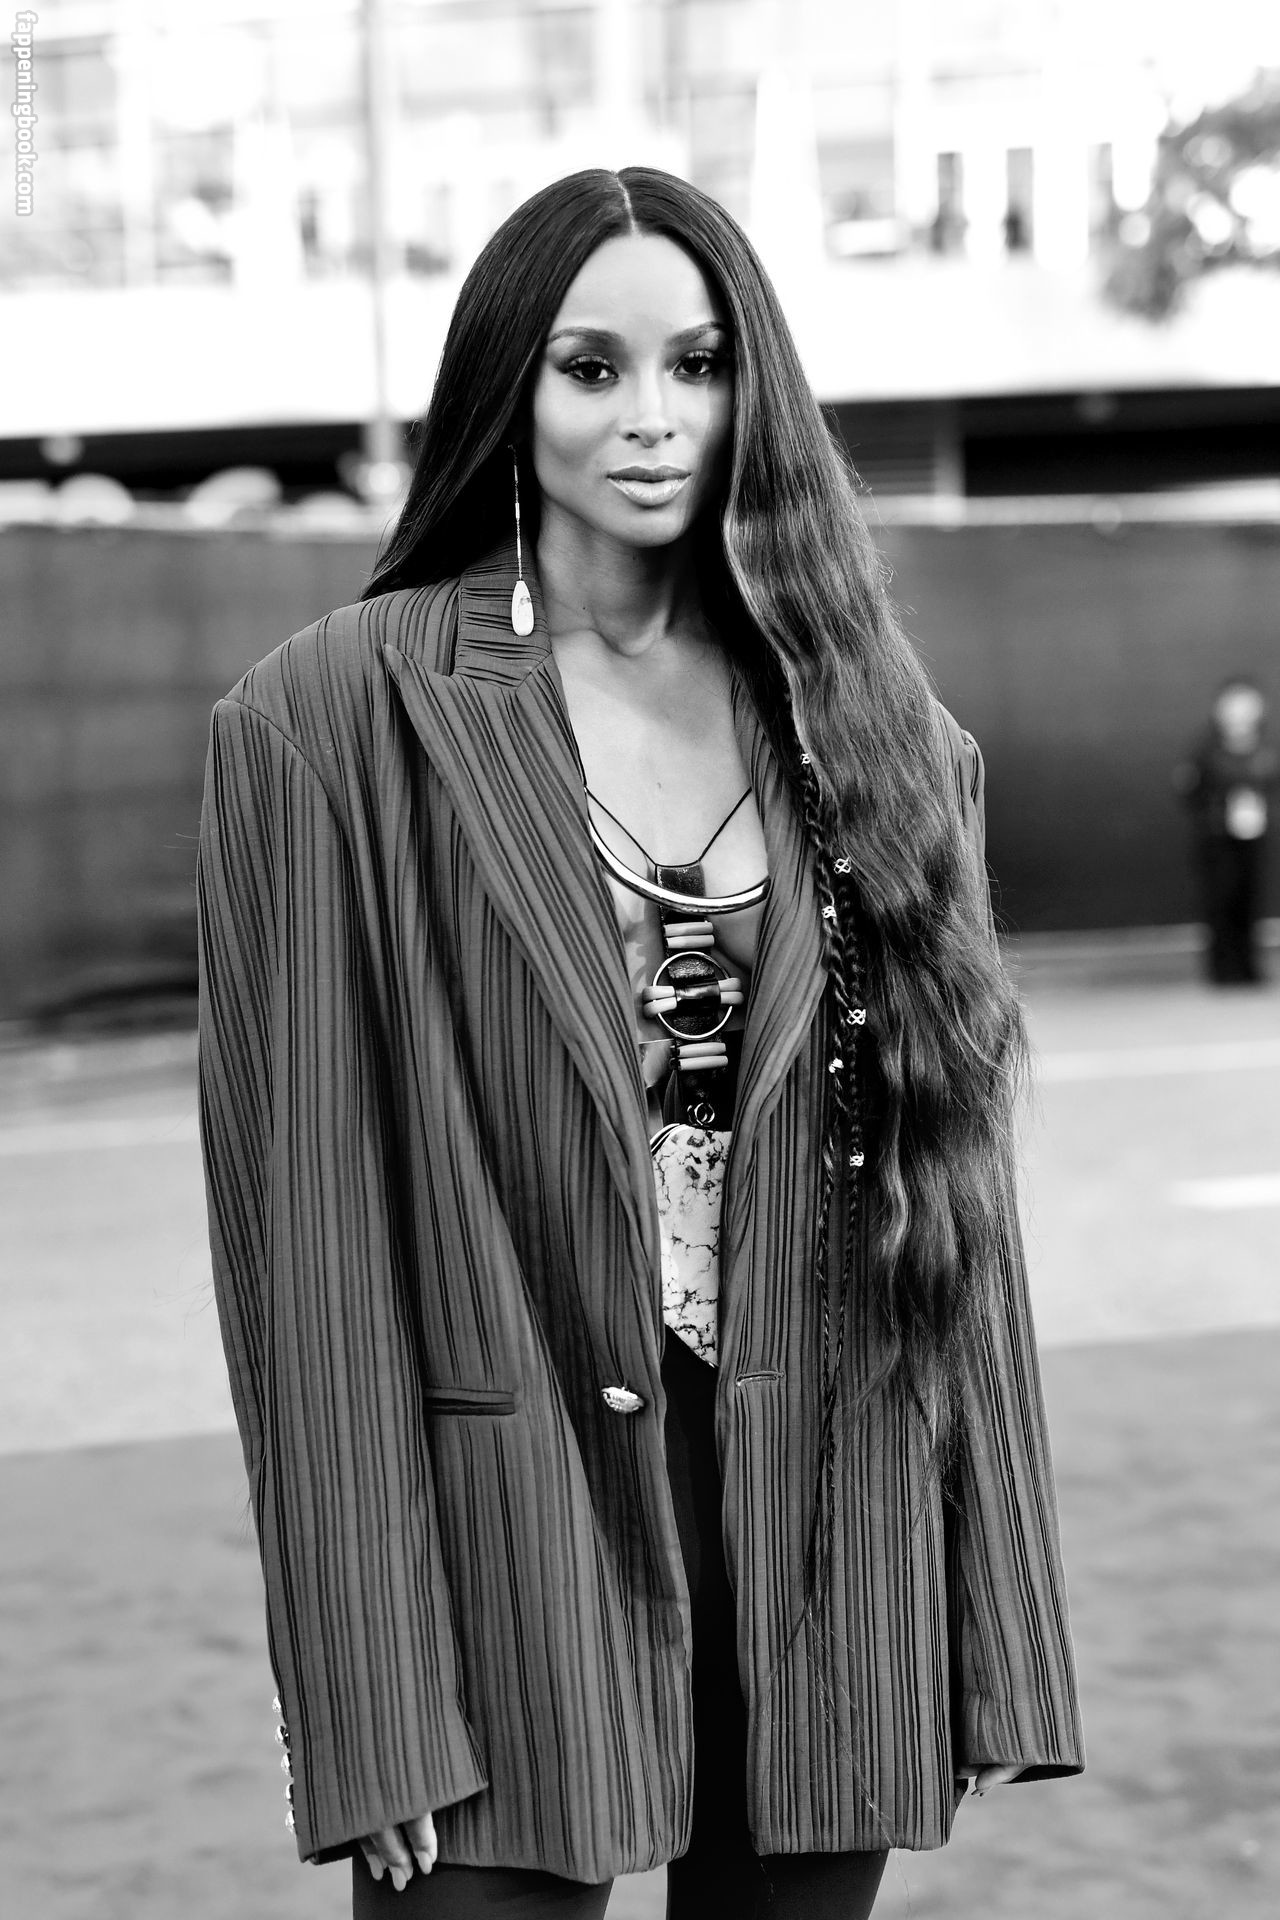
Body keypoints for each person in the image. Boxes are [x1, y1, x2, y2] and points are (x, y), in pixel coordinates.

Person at [196, 167, 1084, 1920]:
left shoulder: (884, 731)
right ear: (507, 391)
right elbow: (305, 1245)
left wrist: (994, 1624)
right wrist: (370, 1696)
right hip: (503, 1524)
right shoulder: (331, 718)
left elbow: (955, 1199)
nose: (653, 416)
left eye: (698, 363)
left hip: (835, 1521)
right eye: (592, 368)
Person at [1173, 677, 1276, 985]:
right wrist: (1220, 814)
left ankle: (1248, 967)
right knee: (1221, 902)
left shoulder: (1266, 750)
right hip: (1217, 842)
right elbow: (1189, 792)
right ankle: (1223, 969)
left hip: (1253, 841)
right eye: (1234, 705)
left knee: (1249, 902)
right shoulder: (1206, 751)